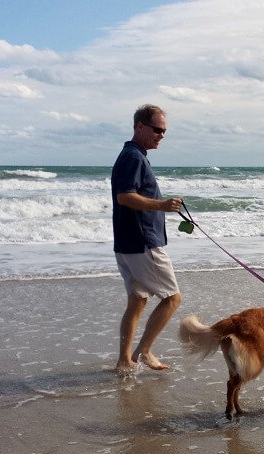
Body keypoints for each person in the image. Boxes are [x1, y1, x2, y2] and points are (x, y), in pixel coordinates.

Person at [111, 104, 183, 375]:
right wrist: (162, 206)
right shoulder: (133, 157)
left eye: (164, 131)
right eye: (157, 130)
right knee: (172, 298)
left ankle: (123, 361)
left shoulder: (132, 155)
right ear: (140, 126)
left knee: (138, 301)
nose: (161, 135)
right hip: (142, 243)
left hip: (127, 243)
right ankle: (144, 351)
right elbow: (124, 197)